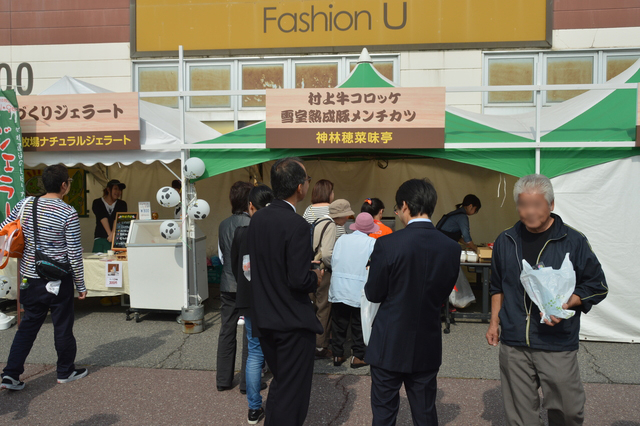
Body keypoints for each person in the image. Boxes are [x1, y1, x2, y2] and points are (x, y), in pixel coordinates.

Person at [486, 174, 608, 426]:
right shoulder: (506, 240)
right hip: (515, 341)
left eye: (536, 205)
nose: (529, 211)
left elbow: (596, 285)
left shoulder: (573, 240)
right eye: (523, 205)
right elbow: (497, 286)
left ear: (551, 204)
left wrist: (567, 304)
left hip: (556, 341)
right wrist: (494, 323)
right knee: (520, 417)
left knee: (568, 411)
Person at [365, 178, 460, 426]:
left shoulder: (388, 243)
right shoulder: (451, 248)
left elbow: (373, 293)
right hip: (427, 339)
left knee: (384, 413)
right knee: (425, 412)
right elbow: (444, 292)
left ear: (405, 205)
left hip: (389, 339)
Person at [248, 157, 323, 426]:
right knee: (292, 395)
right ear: (300, 187)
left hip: (265, 316)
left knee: (282, 386)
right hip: (291, 321)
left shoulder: (258, 218)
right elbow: (299, 279)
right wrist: (315, 276)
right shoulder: (297, 224)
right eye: (307, 179)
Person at [1, 164, 88, 391]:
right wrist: (81, 285)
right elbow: (74, 254)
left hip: (30, 278)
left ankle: (10, 374)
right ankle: (65, 371)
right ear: (64, 185)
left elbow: (5, 229)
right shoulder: (68, 212)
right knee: (62, 326)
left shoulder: (25, 204)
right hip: (59, 278)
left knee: (28, 326)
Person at [231, 184, 274, 424]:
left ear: (250, 206)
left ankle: (254, 409)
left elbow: (235, 265)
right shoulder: (276, 233)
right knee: (277, 352)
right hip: (273, 301)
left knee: (254, 354)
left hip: (248, 299)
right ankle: (279, 404)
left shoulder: (241, 233)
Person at [216, 180, 253, 393]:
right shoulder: (252, 224)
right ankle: (248, 381)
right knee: (250, 333)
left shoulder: (223, 224)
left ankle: (223, 379)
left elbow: (222, 255)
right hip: (247, 284)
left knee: (226, 331)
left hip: (227, 282)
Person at [329, 212, 378, 369]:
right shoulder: (372, 243)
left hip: (339, 287)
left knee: (339, 323)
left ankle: (337, 354)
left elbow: (334, 260)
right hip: (358, 288)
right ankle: (358, 356)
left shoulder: (342, 239)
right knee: (359, 324)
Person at [311, 198, 354, 359]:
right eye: (347, 215)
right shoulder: (330, 226)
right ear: (340, 215)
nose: (347, 219)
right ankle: (320, 346)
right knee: (324, 308)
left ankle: (312, 342)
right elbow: (327, 253)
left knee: (314, 307)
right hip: (323, 270)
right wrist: (335, 267)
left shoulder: (319, 221)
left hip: (312, 268)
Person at [437, 194, 482, 309]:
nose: (475, 212)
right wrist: (477, 249)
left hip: (438, 246)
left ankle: (446, 302)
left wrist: (471, 246)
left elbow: (456, 236)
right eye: (476, 209)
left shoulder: (454, 214)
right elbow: (467, 238)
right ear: (471, 206)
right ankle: (450, 302)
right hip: (442, 249)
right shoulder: (462, 217)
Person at [91, 179, 128, 253]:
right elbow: (102, 217)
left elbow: (117, 219)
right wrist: (110, 234)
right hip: (101, 237)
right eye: (115, 189)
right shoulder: (97, 202)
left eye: (120, 190)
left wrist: (113, 235)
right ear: (108, 189)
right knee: (97, 259)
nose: (118, 192)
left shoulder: (122, 204)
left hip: (117, 240)